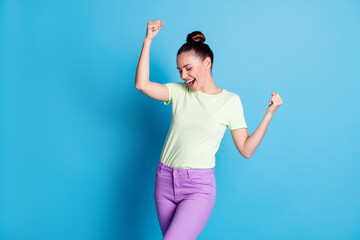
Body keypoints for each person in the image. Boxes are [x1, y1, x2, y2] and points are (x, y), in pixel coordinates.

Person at [135, 19, 283, 240]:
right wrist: (148, 40)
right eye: (180, 71)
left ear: (207, 63)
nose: (184, 76)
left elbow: (246, 149)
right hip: (164, 180)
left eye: (188, 68)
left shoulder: (230, 101)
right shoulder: (177, 92)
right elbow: (142, 84)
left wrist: (269, 115)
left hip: (198, 187)